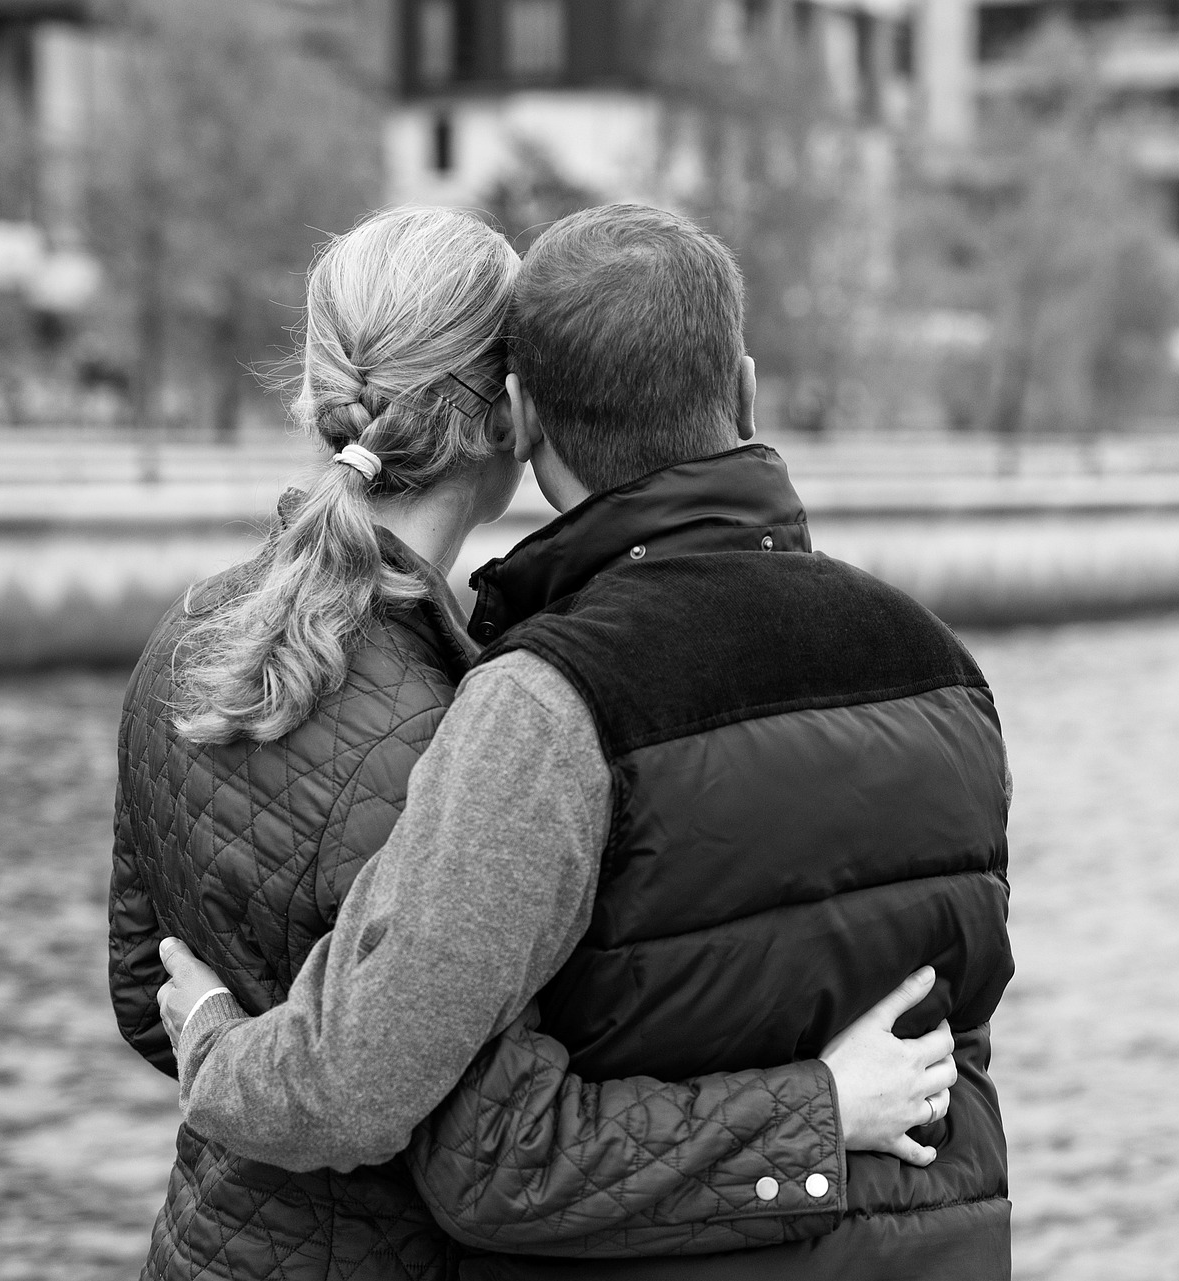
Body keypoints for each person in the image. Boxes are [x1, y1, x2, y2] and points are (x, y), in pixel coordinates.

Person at [154, 202, 1016, 1278]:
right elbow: (950, 1058)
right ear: (744, 388)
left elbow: (467, 1153)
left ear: (522, 418)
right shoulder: (944, 670)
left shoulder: (544, 703)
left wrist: (212, 1046)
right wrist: (818, 1115)